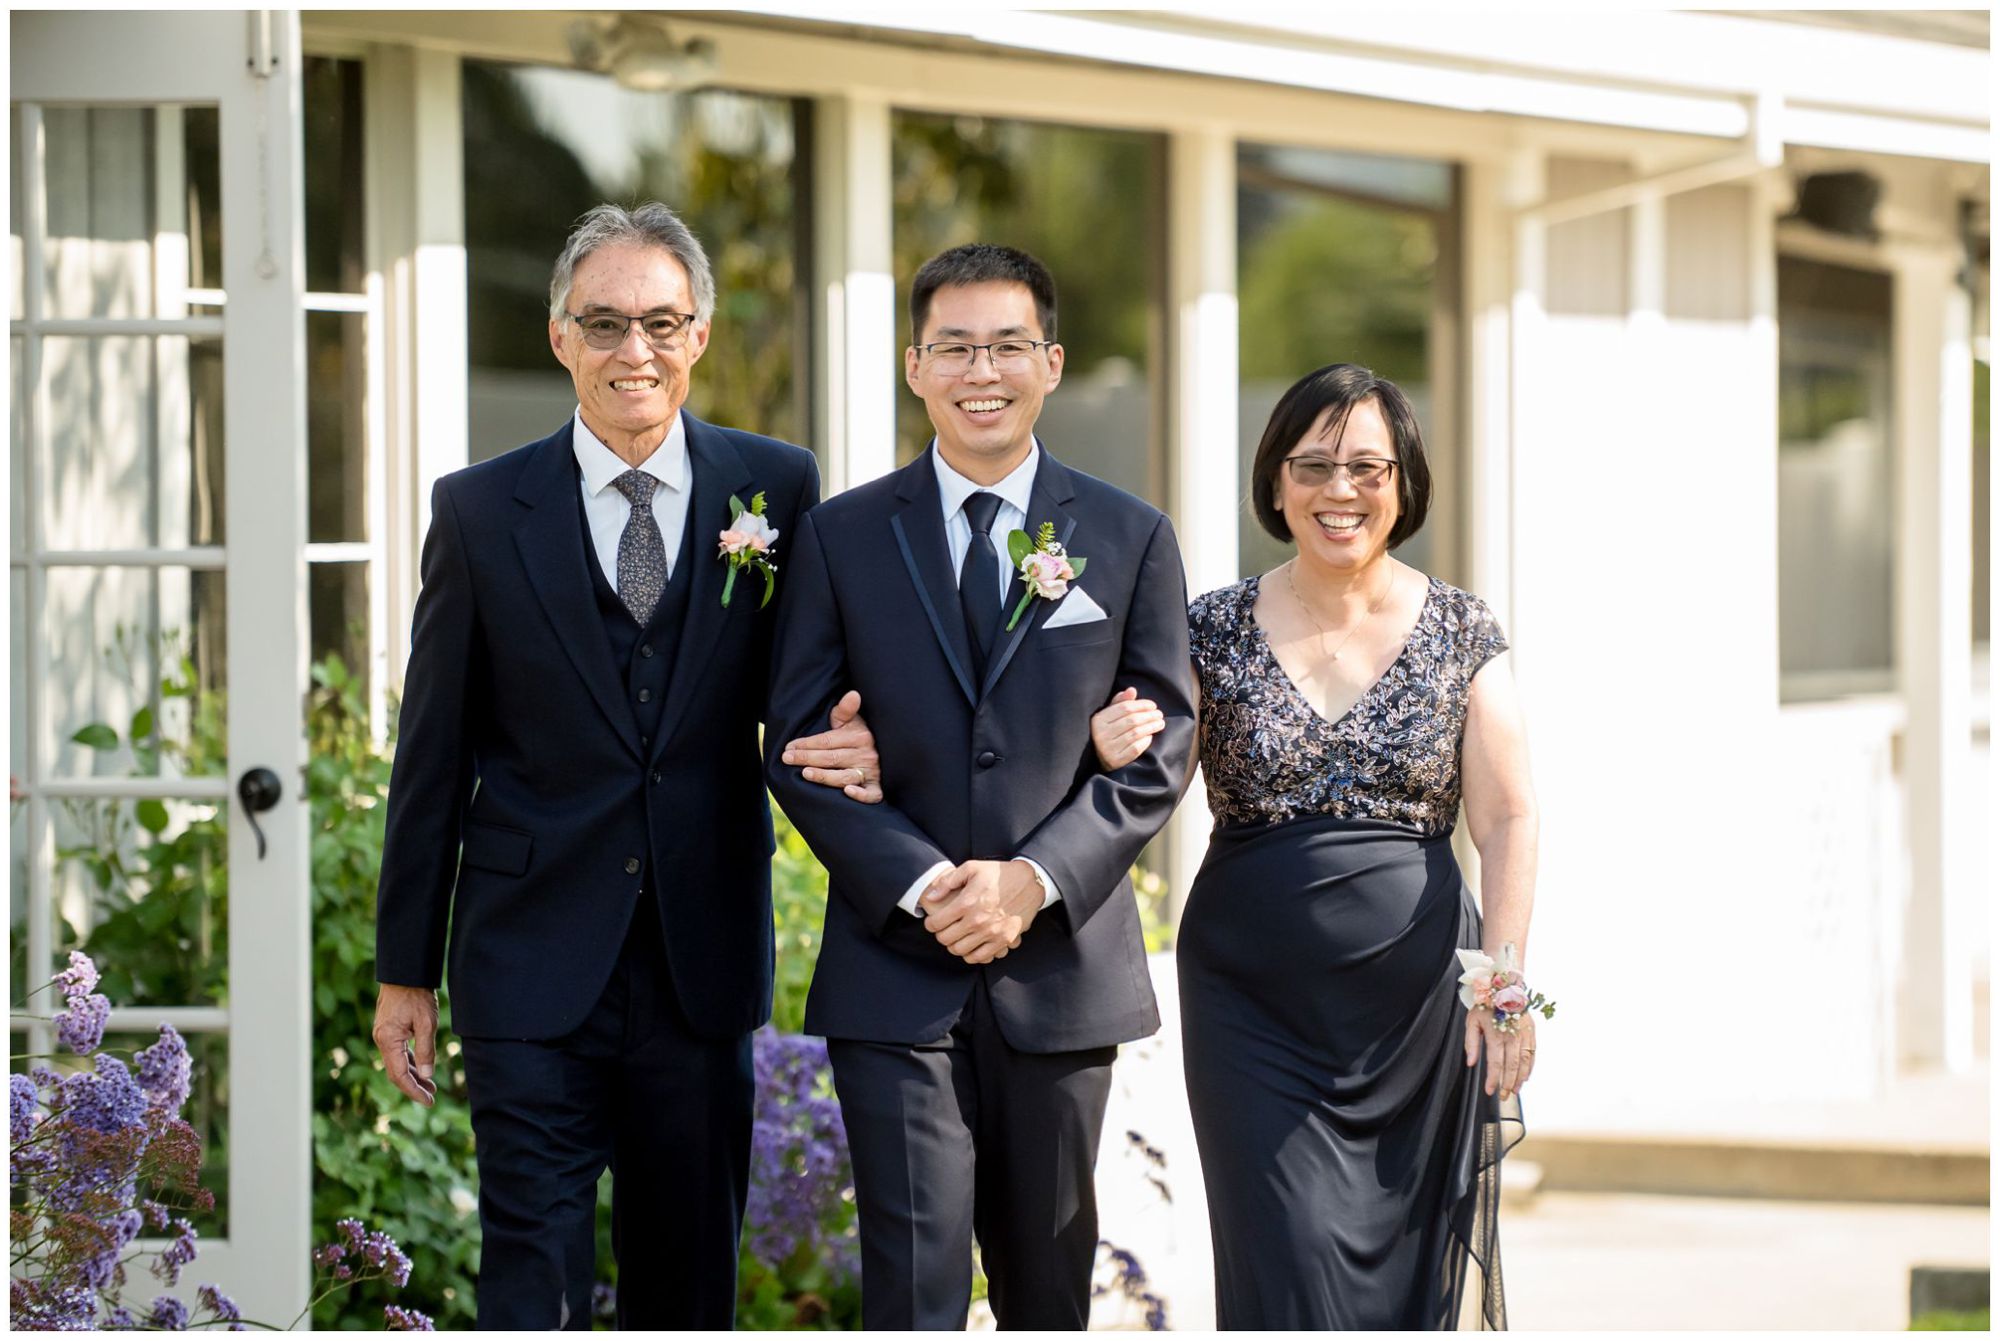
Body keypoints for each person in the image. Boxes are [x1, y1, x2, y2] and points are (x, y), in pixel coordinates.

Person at [371, 202, 879, 1330]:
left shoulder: (779, 488)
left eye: (660, 322)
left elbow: (810, 691)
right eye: (603, 325)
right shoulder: (478, 510)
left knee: (686, 1283)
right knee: (530, 1278)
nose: (632, 352)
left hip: (698, 961)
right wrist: (403, 969)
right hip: (525, 953)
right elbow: (432, 753)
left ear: (697, 335)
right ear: (560, 338)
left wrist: (862, 743)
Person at [764, 243, 1197, 1330]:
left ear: (1050, 361)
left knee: (1046, 1289)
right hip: (893, 971)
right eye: (952, 347)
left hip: (1058, 973)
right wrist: (924, 886)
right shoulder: (840, 536)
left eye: (1006, 345)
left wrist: (1032, 880)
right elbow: (801, 743)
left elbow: (1162, 745)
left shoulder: (1127, 535)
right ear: (915, 367)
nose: (980, 371)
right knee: (909, 1289)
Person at [1090, 363, 1539, 1329]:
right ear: (1277, 481)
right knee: (1285, 1269)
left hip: (1414, 1016)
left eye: (1369, 468)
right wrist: (1110, 742)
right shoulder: (1208, 626)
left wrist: (1504, 986)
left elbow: (1507, 818)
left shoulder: (1462, 629)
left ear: (1405, 483)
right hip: (1252, 1013)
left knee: (1400, 1287)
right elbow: (1146, 773)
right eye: (1316, 465)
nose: (1341, 491)